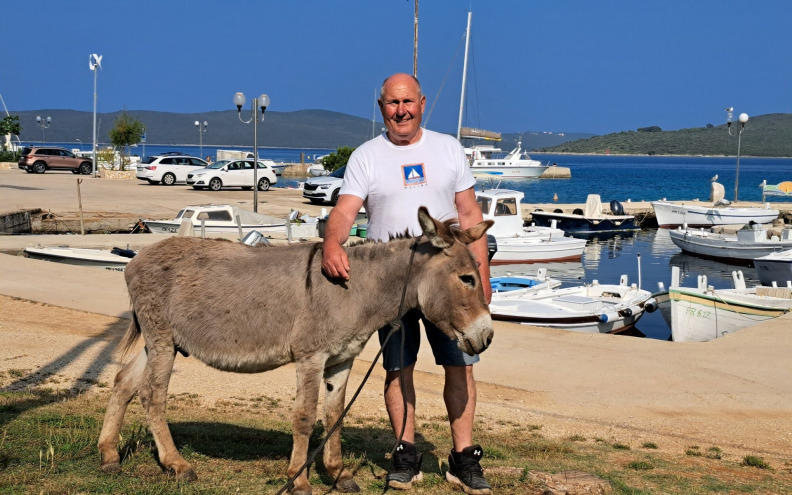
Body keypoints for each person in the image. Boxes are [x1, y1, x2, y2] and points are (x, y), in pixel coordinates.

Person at [321, 73, 493, 494]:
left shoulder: (448, 149)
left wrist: (482, 284)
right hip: (391, 287)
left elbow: (470, 218)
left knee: (460, 366)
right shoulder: (366, 156)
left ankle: (463, 458)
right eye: (392, 103)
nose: (401, 110)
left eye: (408, 102)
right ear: (381, 107)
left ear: (422, 102)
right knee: (398, 370)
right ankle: (405, 453)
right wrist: (331, 242)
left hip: (445, 282)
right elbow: (345, 211)